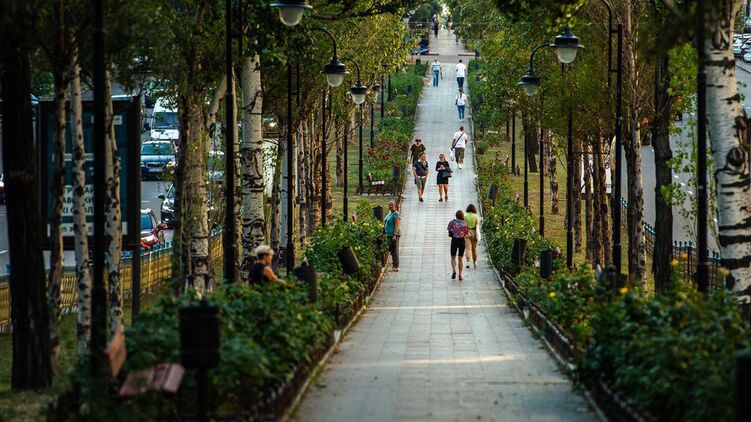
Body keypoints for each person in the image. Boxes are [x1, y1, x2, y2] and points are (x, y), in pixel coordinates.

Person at [447, 210, 469, 280]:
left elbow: (449, 232)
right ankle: (460, 274)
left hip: (454, 240)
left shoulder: (452, 222)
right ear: (462, 216)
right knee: (460, 258)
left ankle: (454, 271)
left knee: (453, 257)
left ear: (456, 215)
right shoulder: (464, 224)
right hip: (461, 241)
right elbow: (466, 233)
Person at [383, 201, 401, 272]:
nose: (390, 206)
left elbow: (397, 225)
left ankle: (396, 266)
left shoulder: (396, 214)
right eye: (389, 205)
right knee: (391, 250)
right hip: (388, 235)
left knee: (394, 250)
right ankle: (394, 265)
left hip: (393, 235)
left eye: (392, 205)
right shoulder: (390, 213)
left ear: (395, 206)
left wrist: (394, 235)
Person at [464, 204, 480, 269]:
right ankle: (475, 262)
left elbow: (464, 225)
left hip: (467, 232)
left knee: (468, 249)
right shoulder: (476, 216)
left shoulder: (465, 216)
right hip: (474, 232)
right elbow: (478, 225)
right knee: (474, 248)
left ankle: (468, 262)